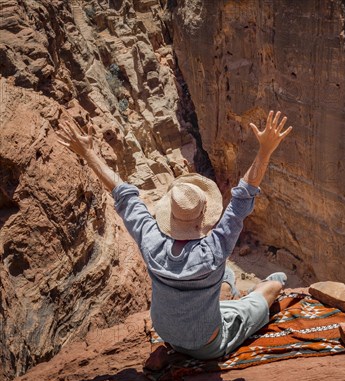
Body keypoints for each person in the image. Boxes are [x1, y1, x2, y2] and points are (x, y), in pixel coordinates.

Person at [57, 110, 293, 360]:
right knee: (272, 288)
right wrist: (265, 149)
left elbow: (123, 193)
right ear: (205, 216)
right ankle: (267, 286)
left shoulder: (151, 241)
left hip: (167, 335)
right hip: (207, 343)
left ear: (169, 213)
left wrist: (87, 153)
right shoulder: (214, 250)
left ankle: (230, 290)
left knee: (227, 275)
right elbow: (243, 196)